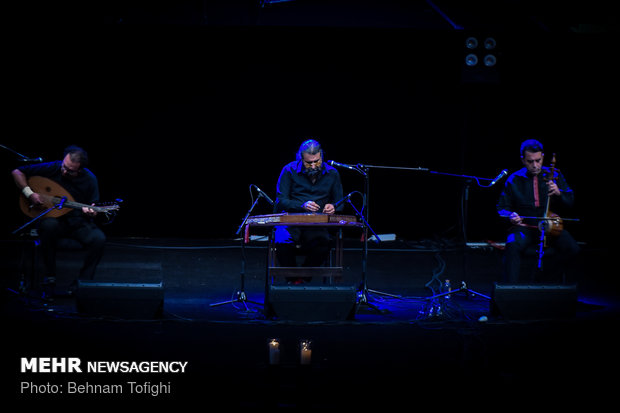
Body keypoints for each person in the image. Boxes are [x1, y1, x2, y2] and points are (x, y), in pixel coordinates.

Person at [12, 145, 106, 291]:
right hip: (53, 220)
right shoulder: (54, 167)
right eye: (64, 166)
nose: (64, 171)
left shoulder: (90, 179)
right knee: (49, 225)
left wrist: (91, 211)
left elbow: (93, 205)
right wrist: (29, 193)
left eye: (70, 171)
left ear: (80, 170)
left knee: (99, 239)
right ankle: (50, 275)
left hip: (77, 222)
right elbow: (17, 172)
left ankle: (83, 282)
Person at [496, 139, 579, 283]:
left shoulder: (555, 175)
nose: (535, 165)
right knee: (512, 245)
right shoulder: (514, 179)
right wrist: (510, 215)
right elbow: (502, 208)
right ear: (523, 160)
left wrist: (559, 193)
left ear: (542, 157)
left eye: (538, 160)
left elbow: (570, 201)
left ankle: (554, 285)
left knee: (573, 248)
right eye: (530, 161)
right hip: (524, 228)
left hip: (550, 227)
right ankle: (511, 292)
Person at [274, 139, 344, 275]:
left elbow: (340, 201)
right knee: (282, 241)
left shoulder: (332, 173)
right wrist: (302, 205)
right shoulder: (289, 170)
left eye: (316, 161)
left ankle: (303, 278)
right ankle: (292, 280)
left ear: (321, 156)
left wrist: (333, 206)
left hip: (317, 224)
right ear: (300, 158)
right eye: (308, 163)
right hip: (291, 221)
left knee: (323, 244)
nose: (313, 166)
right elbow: (281, 201)